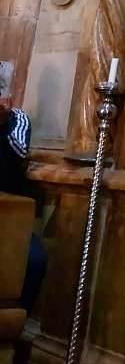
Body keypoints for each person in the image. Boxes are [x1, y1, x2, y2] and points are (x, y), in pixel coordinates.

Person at [0, 97, 46, 315]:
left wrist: (3, 123)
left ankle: (17, 322)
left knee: (35, 260)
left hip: (10, 219)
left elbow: (20, 150)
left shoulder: (17, 118)